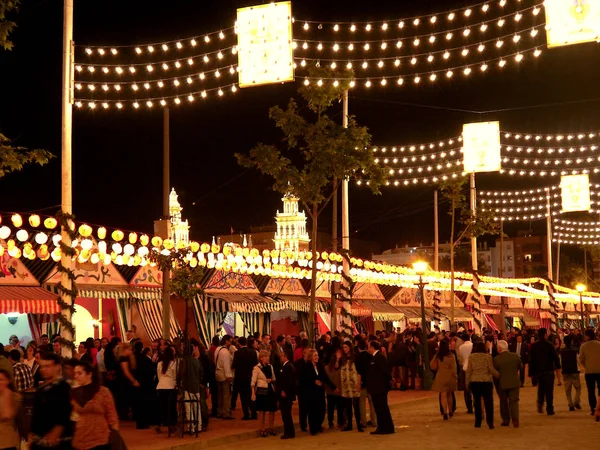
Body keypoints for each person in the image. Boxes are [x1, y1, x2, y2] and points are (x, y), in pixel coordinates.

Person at [71, 360, 118, 450]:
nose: (75, 376)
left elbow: (112, 416)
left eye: (79, 373)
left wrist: (115, 435)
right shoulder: (75, 393)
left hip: (100, 439)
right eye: (75, 373)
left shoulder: (103, 392)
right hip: (80, 438)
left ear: (89, 374)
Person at [29, 353, 73, 450]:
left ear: (57, 367)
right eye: (42, 366)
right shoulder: (41, 389)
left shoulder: (64, 387)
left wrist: (57, 429)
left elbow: (66, 411)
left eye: (47, 366)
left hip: (58, 441)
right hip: (40, 440)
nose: (43, 370)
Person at [301, 349, 336, 436]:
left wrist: (333, 387)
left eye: (317, 355)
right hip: (310, 392)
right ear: (310, 357)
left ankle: (318, 425)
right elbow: (303, 379)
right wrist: (314, 381)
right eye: (315, 355)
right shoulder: (306, 367)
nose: (317, 357)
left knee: (322, 409)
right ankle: (313, 429)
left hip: (319, 392)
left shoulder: (319, 366)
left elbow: (325, 377)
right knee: (312, 411)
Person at [466, 341, 499, 429]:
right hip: (486, 381)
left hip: (475, 381)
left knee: (476, 402)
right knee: (489, 402)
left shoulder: (471, 357)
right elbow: (491, 369)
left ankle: (478, 422)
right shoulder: (488, 357)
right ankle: (490, 422)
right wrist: (498, 375)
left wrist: (467, 382)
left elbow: (469, 371)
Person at [529, 328, 561, 415]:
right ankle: (549, 408)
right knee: (549, 391)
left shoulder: (534, 346)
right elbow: (555, 357)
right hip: (549, 371)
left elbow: (531, 360)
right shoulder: (549, 345)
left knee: (541, 389)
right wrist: (558, 366)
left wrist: (531, 372)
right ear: (545, 335)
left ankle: (540, 403)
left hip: (539, 371)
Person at [367, 341, 394, 435]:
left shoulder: (379, 357)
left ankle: (387, 427)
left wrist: (387, 383)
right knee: (378, 408)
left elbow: (385, 372)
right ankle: (381, 427)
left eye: (368, 346)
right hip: (376, 388)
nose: (367, 348)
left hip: (380, 388)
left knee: (382, 407)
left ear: (372, 347)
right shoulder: (374, 357)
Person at [493, 340, 523, 428]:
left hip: (502, 383)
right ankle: (515, 419)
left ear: (499, 349)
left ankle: (506, 420)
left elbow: (495, 374)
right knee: (514, 402)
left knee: (503, 402)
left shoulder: (496, 359)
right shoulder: (515, 356)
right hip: (514, 382)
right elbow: (521, 367)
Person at [251, 350, 277, 437]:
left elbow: (274, 378)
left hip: (270, 389)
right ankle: (262, 428)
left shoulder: (270, 367)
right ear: (261, 358)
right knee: (262, 411)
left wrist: (271, 380)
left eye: (268, 356)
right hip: (261, 391)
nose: (268, 358)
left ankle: (271, 427)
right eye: (266, 357)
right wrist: (252, 393)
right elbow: (253, 381)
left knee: (272, 410)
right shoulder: (256, 368)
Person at [232, 336, 258, 421]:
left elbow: (234, 365)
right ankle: (254, 413)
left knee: (243, 397)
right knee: (251, 395)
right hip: (250, 376)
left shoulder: (237, 353)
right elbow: (255, 365)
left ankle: (246, 414)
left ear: (239, 343)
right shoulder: (253, 352)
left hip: (240, 378)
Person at [431, 340, 457, 420]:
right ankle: (451, 411)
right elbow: (454, 368)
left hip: (441, 376)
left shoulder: (438, 356)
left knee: (443, 395)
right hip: (450, 376)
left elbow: (432, 366)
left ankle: (445, 412)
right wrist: (455, 376)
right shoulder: (451, 355)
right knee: (449, 394)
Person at [340, 341, 363, 432]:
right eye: (343, 347)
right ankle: (349, 424)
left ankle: (359, 425)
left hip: (354, 383)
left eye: (346, 347)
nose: (344, 349)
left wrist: (358, 383)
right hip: (346, 385)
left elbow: (359, 371)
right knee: (348, 406)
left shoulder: (356, 357)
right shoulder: (343, 358)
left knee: (356, 406)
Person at [182, 338, 202, 434]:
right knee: (197, 406)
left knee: (189, 408)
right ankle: (199, 426)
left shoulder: (184, 362)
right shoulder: (197, 361)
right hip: (196, 386)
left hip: (187, 387)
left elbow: (182, 374)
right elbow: (201, 374)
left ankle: (191, 427)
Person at [132, 340, 154, 430]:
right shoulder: (144, 358)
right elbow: (150, 371)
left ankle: (138, 421)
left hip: (134, 382)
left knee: (136, 403)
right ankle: (143, 422)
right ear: (142, 348)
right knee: (143, 403)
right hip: (144, 384)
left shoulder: (132, 357)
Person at [156, 346, 177, 434]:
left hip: (161, 386)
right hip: (171, 386)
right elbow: (175, 376)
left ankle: (160, 424)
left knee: (162, 406)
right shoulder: (174, 364)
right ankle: (171, 424)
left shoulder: (160, 363)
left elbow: (159, 376)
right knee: (171, 407)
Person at [579, 328, 600, 416]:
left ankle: (593, 408)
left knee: (591, 391)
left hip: (589, 372)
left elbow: (581, 359)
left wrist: (586, 366)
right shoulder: (599, 344)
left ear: (587, 336)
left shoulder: (583, 346)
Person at [277, 349, 296, 440]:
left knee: (286, 414)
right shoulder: (285, 366)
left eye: (281, 356)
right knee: (285, 414)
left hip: (286, 394)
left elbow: (289, 381)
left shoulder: (288, 367)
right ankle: (288, 432)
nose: (280, 358)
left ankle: (289, 432)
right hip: (285, 393)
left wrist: (285, 391)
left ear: (285, 357)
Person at [214, 335, 234, 420]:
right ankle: (226, 413)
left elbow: (215, 361)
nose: (231, 343)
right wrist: (229, 377)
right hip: (224, 376)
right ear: (226, 341)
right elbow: (226, 366)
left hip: (218, 374)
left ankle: (220, 412)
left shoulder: (217, 349)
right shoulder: (225, 352)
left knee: (220, 395)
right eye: (230, 341)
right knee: (226, 395)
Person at [561, 335, 582, 411]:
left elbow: (560, 362)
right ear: (571, 341)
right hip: (574, 371)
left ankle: (570, 404)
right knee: (578, 388)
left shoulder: (562, 351)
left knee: (568, 390)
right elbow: (578, 361)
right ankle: (576, 401)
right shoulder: (574, 350)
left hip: (565, 371)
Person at [0, 368, 20, 450]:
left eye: (1, 380)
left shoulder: (14, 397)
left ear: (8, 381)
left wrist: (6, 394)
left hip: (7, 442)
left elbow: (7, 415)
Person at [324, 348, 344, 430]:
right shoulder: (327, 368)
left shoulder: (342, 368)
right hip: (331, 392)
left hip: (339, 391)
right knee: (331, 408)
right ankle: (331, 422)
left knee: (340, 408)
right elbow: (326, 381)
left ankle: (340, 422)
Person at [457, 333, 474, 414]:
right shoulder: (473, 345)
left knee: (466, 389)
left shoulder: (461, 347)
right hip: (473, 368)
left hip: (464, 367)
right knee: (474, 387)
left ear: (462, 340)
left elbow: (460, 359)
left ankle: (469, 407)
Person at [294, 346, 310, 432]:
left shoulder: (311, 362)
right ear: (304, 353)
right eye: (308, 352)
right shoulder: (298, 363)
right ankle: (303, 425)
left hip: (310, 388)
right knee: (303, 408)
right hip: (302, 389)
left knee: (310, 407)